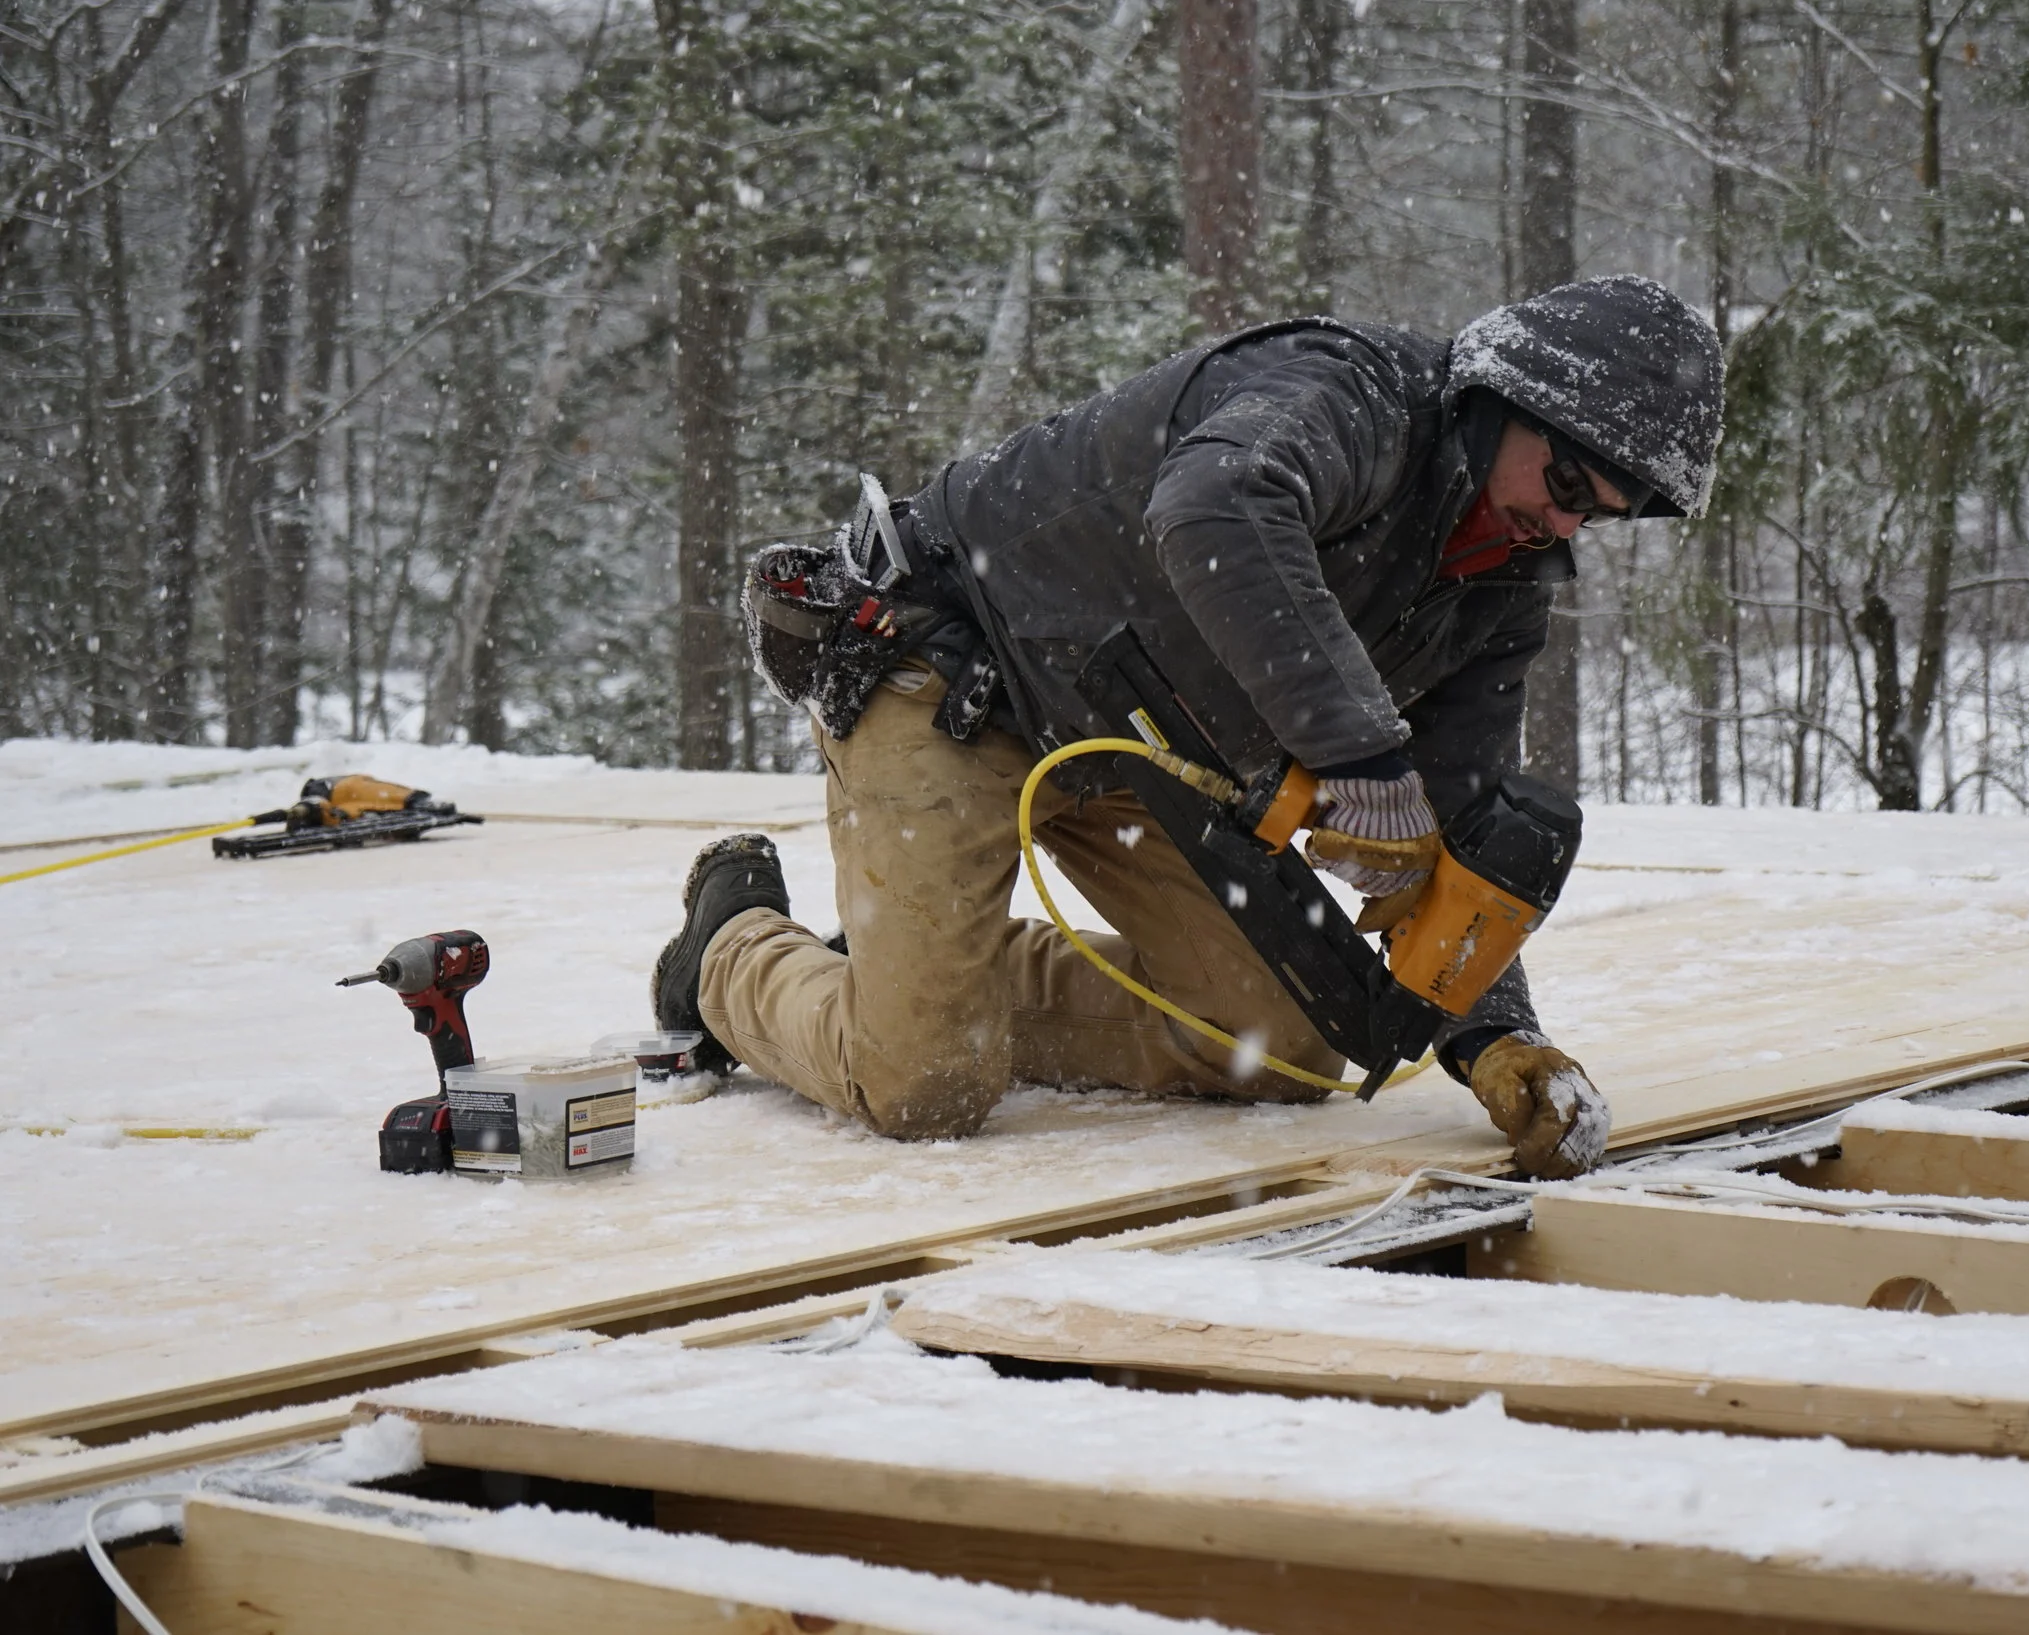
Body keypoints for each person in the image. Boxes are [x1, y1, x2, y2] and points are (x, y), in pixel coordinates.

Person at [653, 275, 1724, 1179]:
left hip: (1142, 746)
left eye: (1604, 512)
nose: (1568, 519)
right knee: (923, 1087)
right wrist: (1359, 752)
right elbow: (1213, 506)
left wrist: (1493, 1032)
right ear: (1497, 401)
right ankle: (728, 949)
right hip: (951, 672)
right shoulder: (1346, 394)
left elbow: (1447, 828)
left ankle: (920, 978)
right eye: (1567, 478)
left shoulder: (1500, 589)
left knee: (1284, 1048)